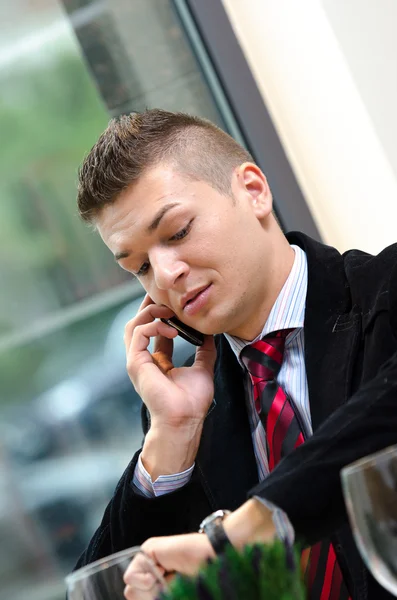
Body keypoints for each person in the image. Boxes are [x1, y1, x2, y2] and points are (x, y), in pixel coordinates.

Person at [75, 109, 397, 600]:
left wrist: (244, 531)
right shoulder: (188, 413)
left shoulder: (387, 291)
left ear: (253, 190)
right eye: (139, 266)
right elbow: (100, 589)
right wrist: (168, 442)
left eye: (178, 232)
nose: (164, 274)